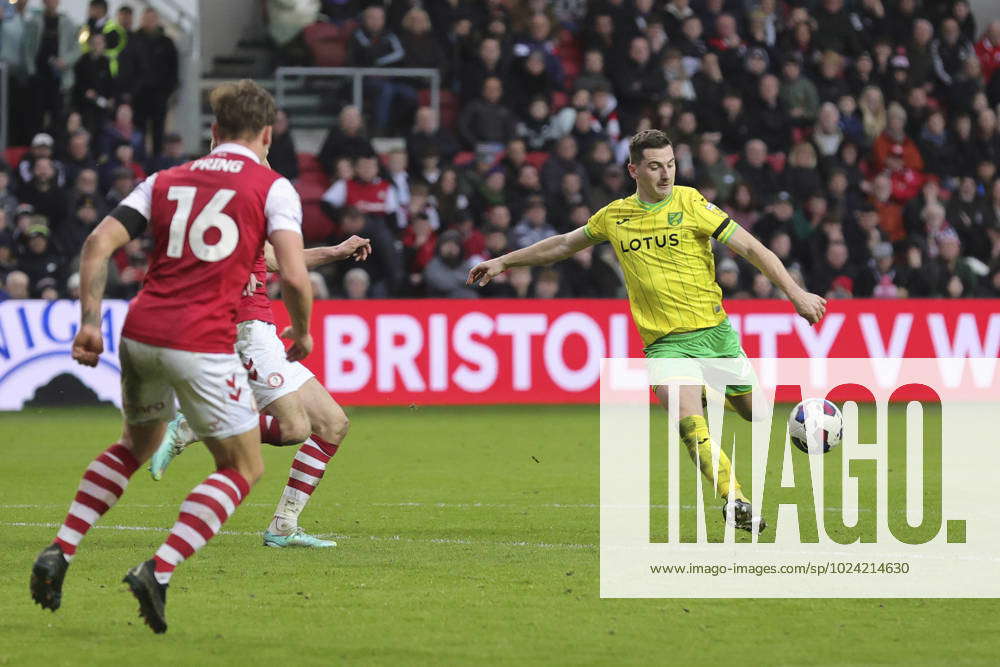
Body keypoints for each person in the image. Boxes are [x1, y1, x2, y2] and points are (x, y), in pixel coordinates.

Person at [30, 80, 314, 634]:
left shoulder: (164, 179)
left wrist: (90, 322)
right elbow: (296, 274)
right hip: (202, 338)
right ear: (266, 134)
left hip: (141, 329)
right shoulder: (272, 186)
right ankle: (157, 571)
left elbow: (96, 244)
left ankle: (60, 551)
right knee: (242, 465)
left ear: (213, 131)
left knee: (134, 447)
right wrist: (301, 333)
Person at [467, 130, 826, 533]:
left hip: (714, 334)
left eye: (670, 164)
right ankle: (735, 498)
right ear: (634, 169)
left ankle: (707, 390)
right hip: (664, 345)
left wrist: (794, 293)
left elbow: (752, 249)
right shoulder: (615, 217)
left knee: (756, 413)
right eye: (655, 166)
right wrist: (504, 262)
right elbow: (563, 245)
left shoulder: (692, 203)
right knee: (689, 424)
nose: (665, 174)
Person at [147, 233, 372, 547]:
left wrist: (338, 251)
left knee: (334, 424)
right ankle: (194, 426)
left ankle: (283, 526)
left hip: (265, 336)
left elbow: (281, 261)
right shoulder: (215, 216)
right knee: (294, 428)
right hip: (247, 332)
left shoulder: (247, 217)